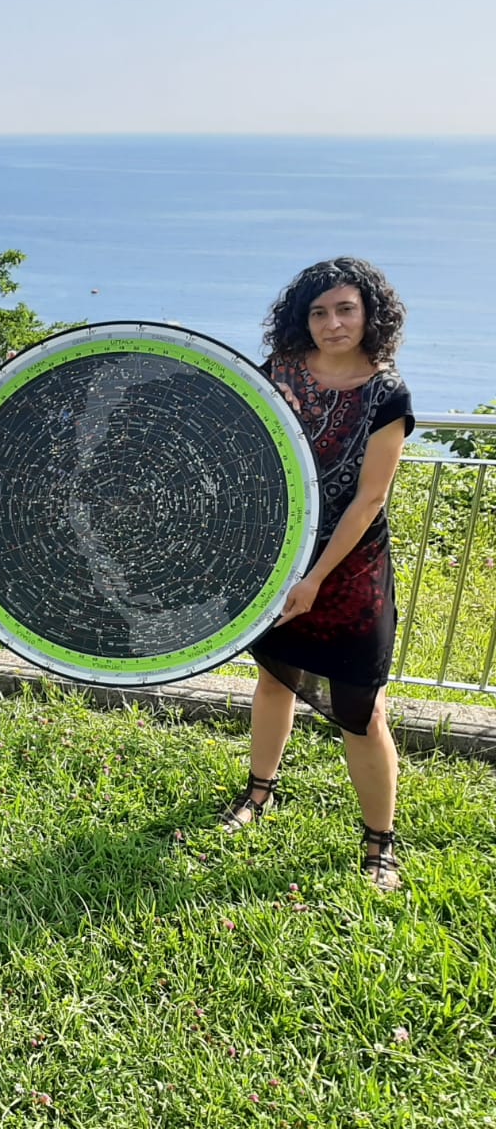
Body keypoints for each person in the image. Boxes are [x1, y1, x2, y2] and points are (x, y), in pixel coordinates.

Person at [219, 258, 414, 891]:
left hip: (352, 571)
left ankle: (380, 842)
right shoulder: (280, 374)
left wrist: (316, 580)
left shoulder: (388, 394)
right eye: (319, 312)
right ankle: (258, 794)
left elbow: (369, 501)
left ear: (370, 315)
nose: (333, 323)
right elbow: (246, 452)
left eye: (345, 310)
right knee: (274, 681)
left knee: (363, 708)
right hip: (282, 560)